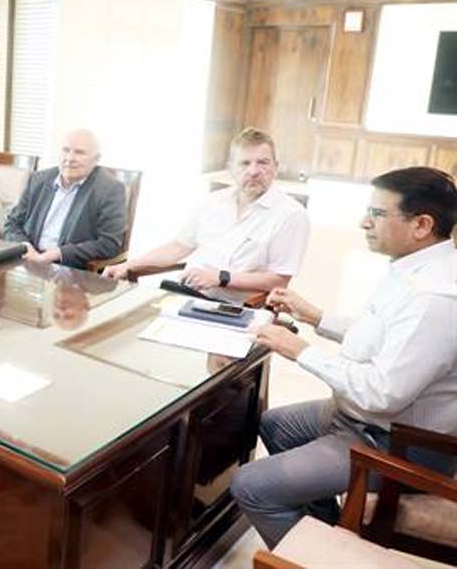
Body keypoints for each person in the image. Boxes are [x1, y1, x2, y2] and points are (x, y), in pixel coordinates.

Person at [230, 166, 457, 549]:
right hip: (364, 420)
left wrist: (301, 351)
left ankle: (316, 558)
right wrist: (315, 316)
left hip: (393, 441)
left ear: (421, 225)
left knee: (251, 485)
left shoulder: (435, 298)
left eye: (377, 214)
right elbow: (381, 337)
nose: (364, 223)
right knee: (275, 425)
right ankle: (326, 529)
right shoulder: (417, 267)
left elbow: (383, 394)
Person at [103, 128, 309, 304]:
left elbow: (278, 281)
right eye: (245, 163)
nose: (254, 171)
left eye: (263, 162)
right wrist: (128, 265)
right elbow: (178, 247)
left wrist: (221, 278)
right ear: (231, 168)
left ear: (275, 167)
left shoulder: (291, 214)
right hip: (185, 295)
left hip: (233, 307)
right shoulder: (213, 201)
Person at [4, 129, 127, 269]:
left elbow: (109, 244)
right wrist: (24, 247)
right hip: (27, 261)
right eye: (65, 150)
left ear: (96, 159)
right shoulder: (38, 179)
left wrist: (58, 254)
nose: (70, 158)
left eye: (80, 152)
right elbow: (12, 223)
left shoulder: (110, 189)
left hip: (70, 268)